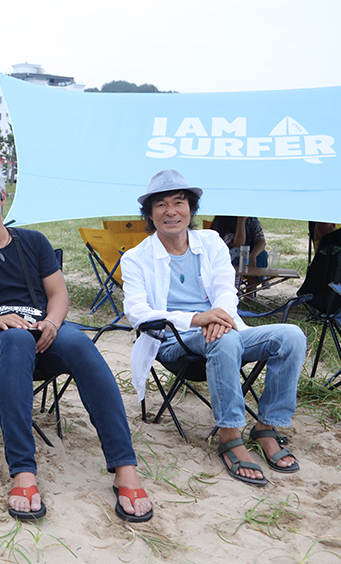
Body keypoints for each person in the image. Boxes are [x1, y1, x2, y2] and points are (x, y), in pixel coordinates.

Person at [0, 166, 152, 523]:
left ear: (2, 199)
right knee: (17, 338)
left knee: (80, 344)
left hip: (43, 328)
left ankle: (125, 467)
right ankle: (23, 470)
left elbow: (58, 294)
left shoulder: (32, 242)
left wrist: (52, 322)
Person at [122, 170, 307, 488]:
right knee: (225, 342)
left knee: (291, 336)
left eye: (179, 202)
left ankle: (266, 426)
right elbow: (137, 313)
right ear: (150, 214)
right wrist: (198, 319)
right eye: (161, 204)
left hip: (224, 328)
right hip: (173, 339)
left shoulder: (210, 242)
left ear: (191, 209)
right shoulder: (136, 257)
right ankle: (230, 435)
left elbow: (225, 289)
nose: (171, 211)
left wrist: (217, 317)